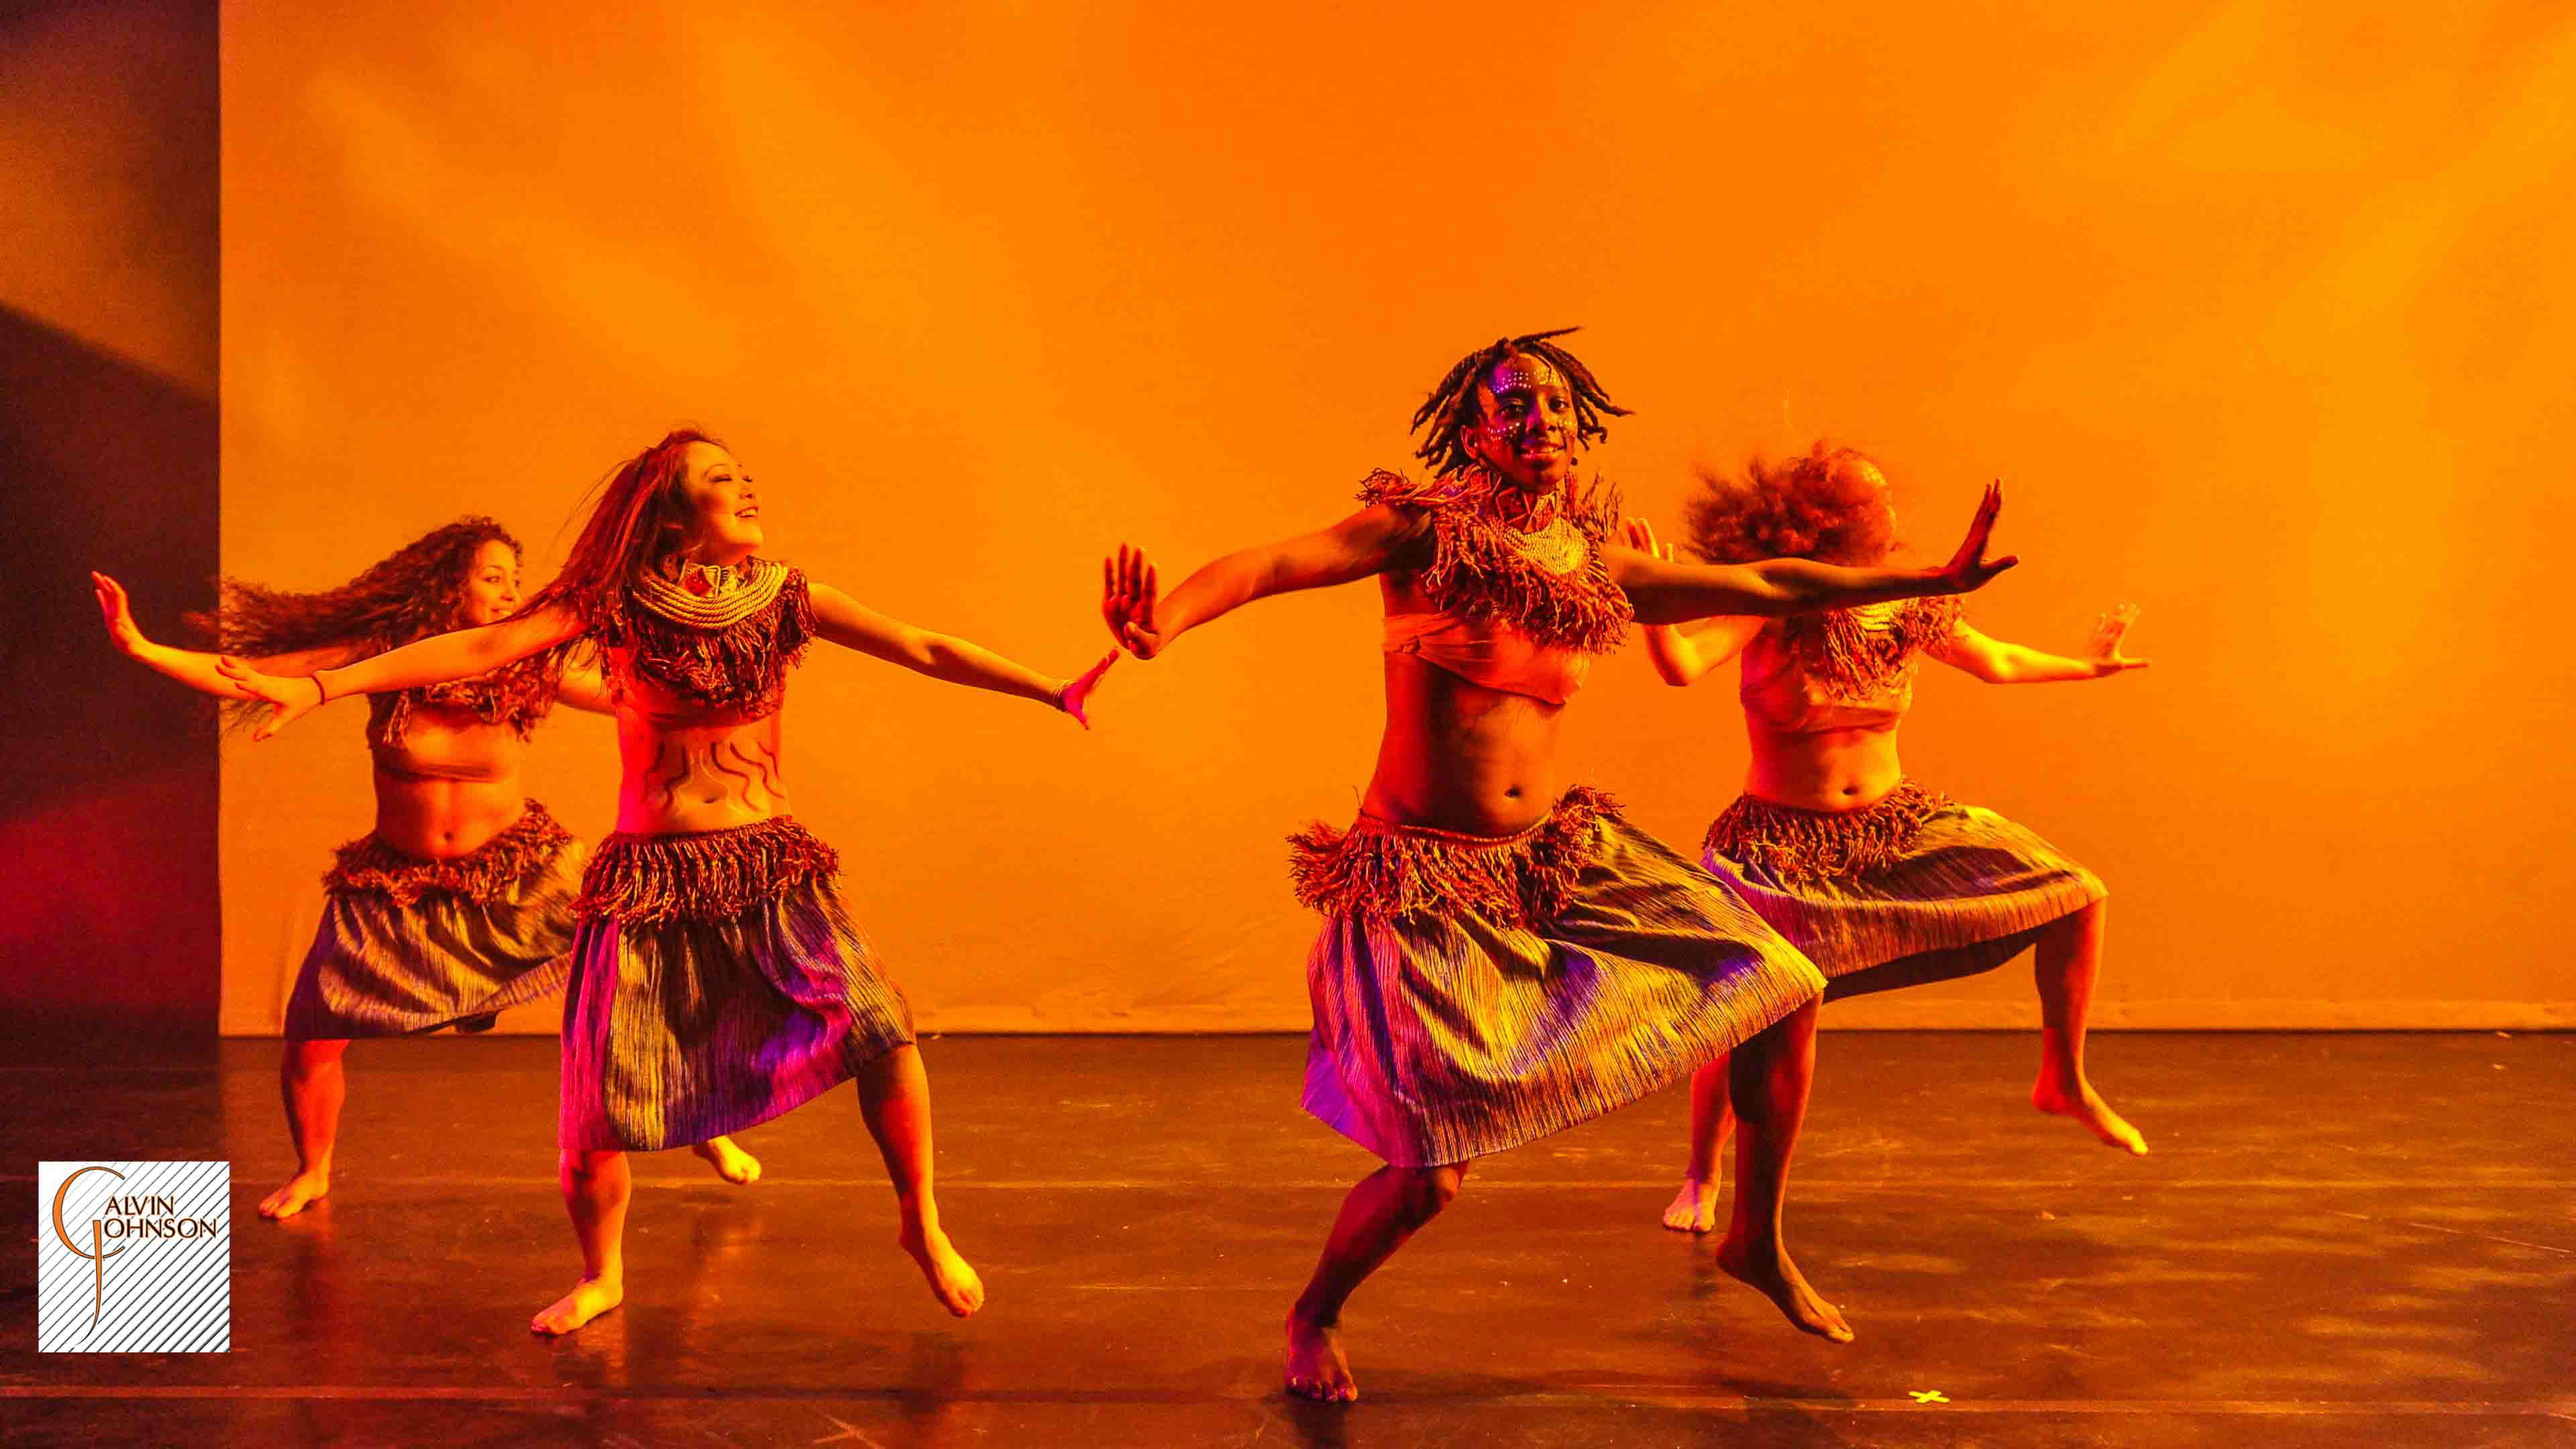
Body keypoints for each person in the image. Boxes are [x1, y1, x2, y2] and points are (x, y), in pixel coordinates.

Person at [1098, 331, 2017, 1399]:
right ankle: (1314, 1315)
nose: (1538, 423)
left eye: (1553, 408)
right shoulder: (1420, 534)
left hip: (1557, 861)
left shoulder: (1594, 563)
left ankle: (1754, 1237)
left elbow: (1762, 579)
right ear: (1475, 431)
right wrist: (1162, 621)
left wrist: (1933, 575)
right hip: (1424, 880)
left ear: (1581, 429)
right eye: (1511, 407)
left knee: (1783, 983)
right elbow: (1268, 564)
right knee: (1431, 1178)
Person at [218, 429, 1115, 1334]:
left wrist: (1049, 688)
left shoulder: (787, 597)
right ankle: (602, 1274)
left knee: (884, 1029)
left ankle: (920, 1224)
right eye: (725, 480)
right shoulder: (615, 602)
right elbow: (476, 648)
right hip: (647, 879)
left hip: (768, 866)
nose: (750, 490)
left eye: (748, 476)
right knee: (597, 1107)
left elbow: (923, 645)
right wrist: (325, 689)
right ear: (676, 515)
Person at [93, 519, 761, 1221]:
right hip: (398, 884)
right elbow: (252, 680)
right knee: (312, 1035)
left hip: (519, 877)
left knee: (638, 985)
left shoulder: (532, 662)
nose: (508, 590)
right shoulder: (385, 659)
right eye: (490, 576)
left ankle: (707, 1127)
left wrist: (714, 665)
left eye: (513, 576)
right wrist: (139, 646)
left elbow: (639, 699)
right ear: (450, 585)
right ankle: (313, 1170)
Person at [1628, 443, 2147, 1236]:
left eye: (1887, 503)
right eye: (1871, 506)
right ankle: (1704, 1171)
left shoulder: (1911, 608)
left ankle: (2063, 1077)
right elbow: (1682, 667)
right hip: (1777, 847)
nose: (1891, 517)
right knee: (1747, 1018)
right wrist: (1654, 607)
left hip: (1894, 827)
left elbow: (1998, 662)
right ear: (1825, 523)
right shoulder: (1774, 603)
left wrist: (2089, 667)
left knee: (2076, 894)